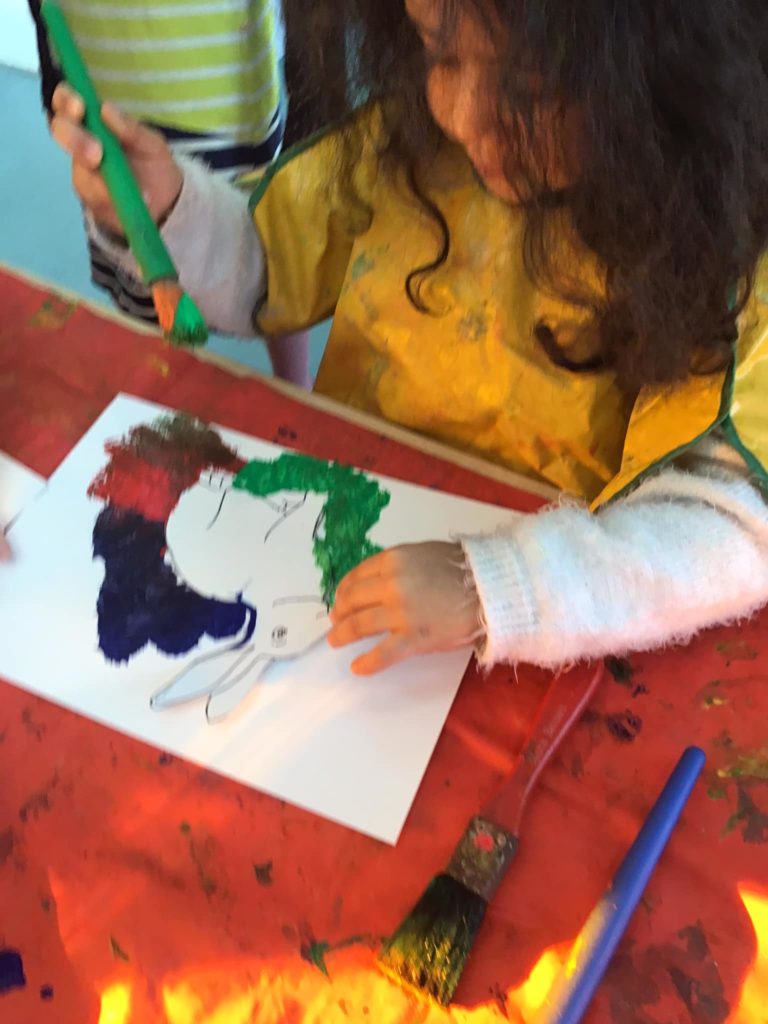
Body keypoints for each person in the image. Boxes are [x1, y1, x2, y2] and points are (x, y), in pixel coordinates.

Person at [50, 0, 768, 677]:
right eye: (440, 54)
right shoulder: (400, 143)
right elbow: (265, 271)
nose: (463, 115)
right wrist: (168, 208)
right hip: (345, 555)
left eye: (530, 87)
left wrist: (493, 587)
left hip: (542, 642)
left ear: (662, 79)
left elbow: (732, 530)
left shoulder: (723, 253)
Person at [26, 0, 312, 387]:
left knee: (278, 253)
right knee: (144, 282)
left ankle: (296, 383)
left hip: (231, 83)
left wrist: (312, 99)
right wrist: (52, 83)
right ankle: (166, 383)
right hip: (111, 86)